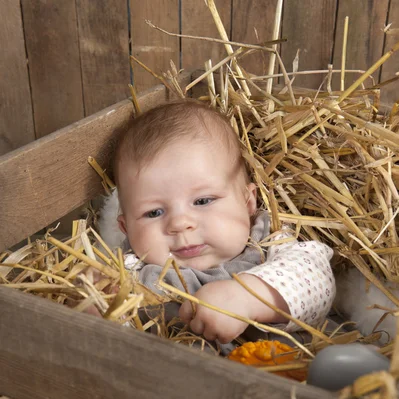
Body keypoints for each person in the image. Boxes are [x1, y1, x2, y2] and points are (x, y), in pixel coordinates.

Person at [100, 99, 336, 345]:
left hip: (280, 373)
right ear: (126, 228)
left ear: (247, 204)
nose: (180, 224)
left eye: (202, 201)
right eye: (154, 213)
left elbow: (318, 282)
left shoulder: (270, 246)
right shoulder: (132, 275)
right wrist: (99, 303)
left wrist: (247, 297)